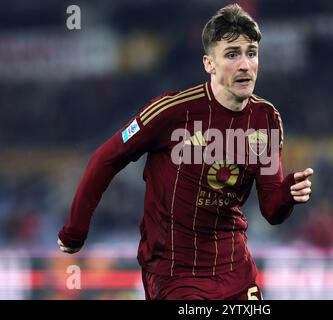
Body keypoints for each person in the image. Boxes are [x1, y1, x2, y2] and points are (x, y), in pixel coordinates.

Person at [57, 3, 313, 300]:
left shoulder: (266, 119)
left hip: (235, 270)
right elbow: (107, 158)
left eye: (251, 53)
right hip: (174, 272)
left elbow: (271, 210)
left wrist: (288, 194)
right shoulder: (172, 111)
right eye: (232, 54)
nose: (245, 64)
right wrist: (75, 231)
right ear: (209, 64)